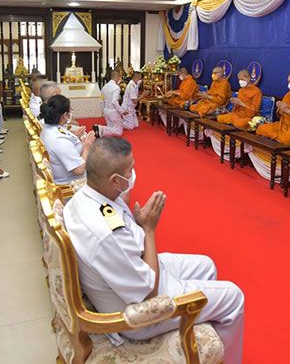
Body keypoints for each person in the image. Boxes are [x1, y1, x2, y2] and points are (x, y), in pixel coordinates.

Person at [63, 138, 245, 363]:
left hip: (131, 272)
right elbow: (149, 292)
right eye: (130, 170)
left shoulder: (85, 196)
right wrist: (149, 230)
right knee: (234, 297)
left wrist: (138, 224)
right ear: (115, 180)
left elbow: (126, 244)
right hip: (136, 314)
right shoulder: (107, 234)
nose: (133, 174)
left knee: (207, 265)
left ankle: (203, 341)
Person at [39, 95, 96, 185]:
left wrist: (75, 137)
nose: (71, 112)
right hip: (73, 182)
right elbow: (79, 170)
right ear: (65, 115)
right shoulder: (59, 141)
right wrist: (86, 148)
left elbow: (65, 146)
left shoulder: (48, 127)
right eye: (70, 110)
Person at [95, 70, 125, 138]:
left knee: (110, 127)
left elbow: (101, 101)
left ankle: (101, 132)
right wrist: (122, 111)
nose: (120, 79)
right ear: (117, 76)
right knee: (119, 130)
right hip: (113, 110)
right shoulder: (116, 87)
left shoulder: (104, 87)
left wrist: (103, 110)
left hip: (106, 110)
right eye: (120, 76)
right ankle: (101, 128)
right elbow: (114, 101)